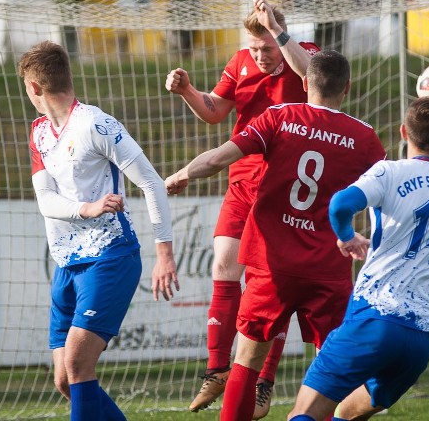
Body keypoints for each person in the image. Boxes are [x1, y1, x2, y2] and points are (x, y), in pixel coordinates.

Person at [166, 49, 387, 421]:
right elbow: (389, 192)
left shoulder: (279, 117)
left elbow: (219, 158)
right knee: (334, 364)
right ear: (347, 88)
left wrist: (184, 173)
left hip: (272, 266)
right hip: (328, 269)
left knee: (246, 361)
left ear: (304, 84)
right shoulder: (364, 138)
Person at [288, 97, 429, 421]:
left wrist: (346, 237)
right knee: (351, 411)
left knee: (304, 414)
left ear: (402, 132)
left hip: (374, 317)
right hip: (422, 338)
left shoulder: (389, 172)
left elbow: (340, 204)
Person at [165, 0, 318, 417]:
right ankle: (217, 370)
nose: (260, 55)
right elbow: (215, 113)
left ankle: (263, 382)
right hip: (241, 180)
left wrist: (280, 36)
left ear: (280, 36)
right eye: (254, 48)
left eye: (266, 47)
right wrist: (187, 91)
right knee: (223, 266)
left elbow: (313, 78)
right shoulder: (239, 62)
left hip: (284, 188)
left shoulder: (304, 55)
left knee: (271, 284)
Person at [18, 41, 180, 421]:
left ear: (33, 88)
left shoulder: (96, 124)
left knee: (77, 364)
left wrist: (164, 254)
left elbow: (152, 184)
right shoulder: (39, 131)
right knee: (65, 380)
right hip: (66, 264)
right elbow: (46, 200)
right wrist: (86, 208)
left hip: (110, 257)